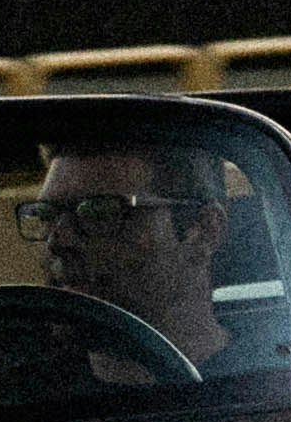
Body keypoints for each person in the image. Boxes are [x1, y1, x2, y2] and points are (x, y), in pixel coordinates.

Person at [24, 138, 240, 371]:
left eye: (100, 213)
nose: (57, 241)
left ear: (204, 231)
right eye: (45, 214)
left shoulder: (267, 382)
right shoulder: (19, 396)